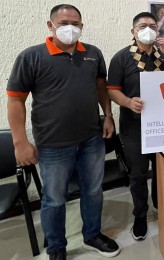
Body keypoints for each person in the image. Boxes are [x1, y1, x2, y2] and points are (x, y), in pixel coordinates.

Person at [6, 4, 120, 260]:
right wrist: (20, 142)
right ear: (50, 25)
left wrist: (109, 116)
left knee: (93, 191)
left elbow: (101, 88)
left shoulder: (93, 53)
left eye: (76, 23)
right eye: (64, 22)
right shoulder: (31, 57)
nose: (71, 28)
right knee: (54, 199)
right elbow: (15, 101)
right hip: (53, 145)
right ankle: (56, 248)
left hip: (92, 139)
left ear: (82, 26)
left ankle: (92, 235)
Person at [107, 12, 164, 241]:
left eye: (152, 26)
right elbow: (111, 90)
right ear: (133, 31)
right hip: (133, 129)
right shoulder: (121, 58)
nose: (148, 29)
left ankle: (162, 207)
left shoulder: (162, 55)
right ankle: (140, 215)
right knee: (138, 175)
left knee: (163, 171)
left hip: (163, 126)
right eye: (142, 26)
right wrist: (128, 102)